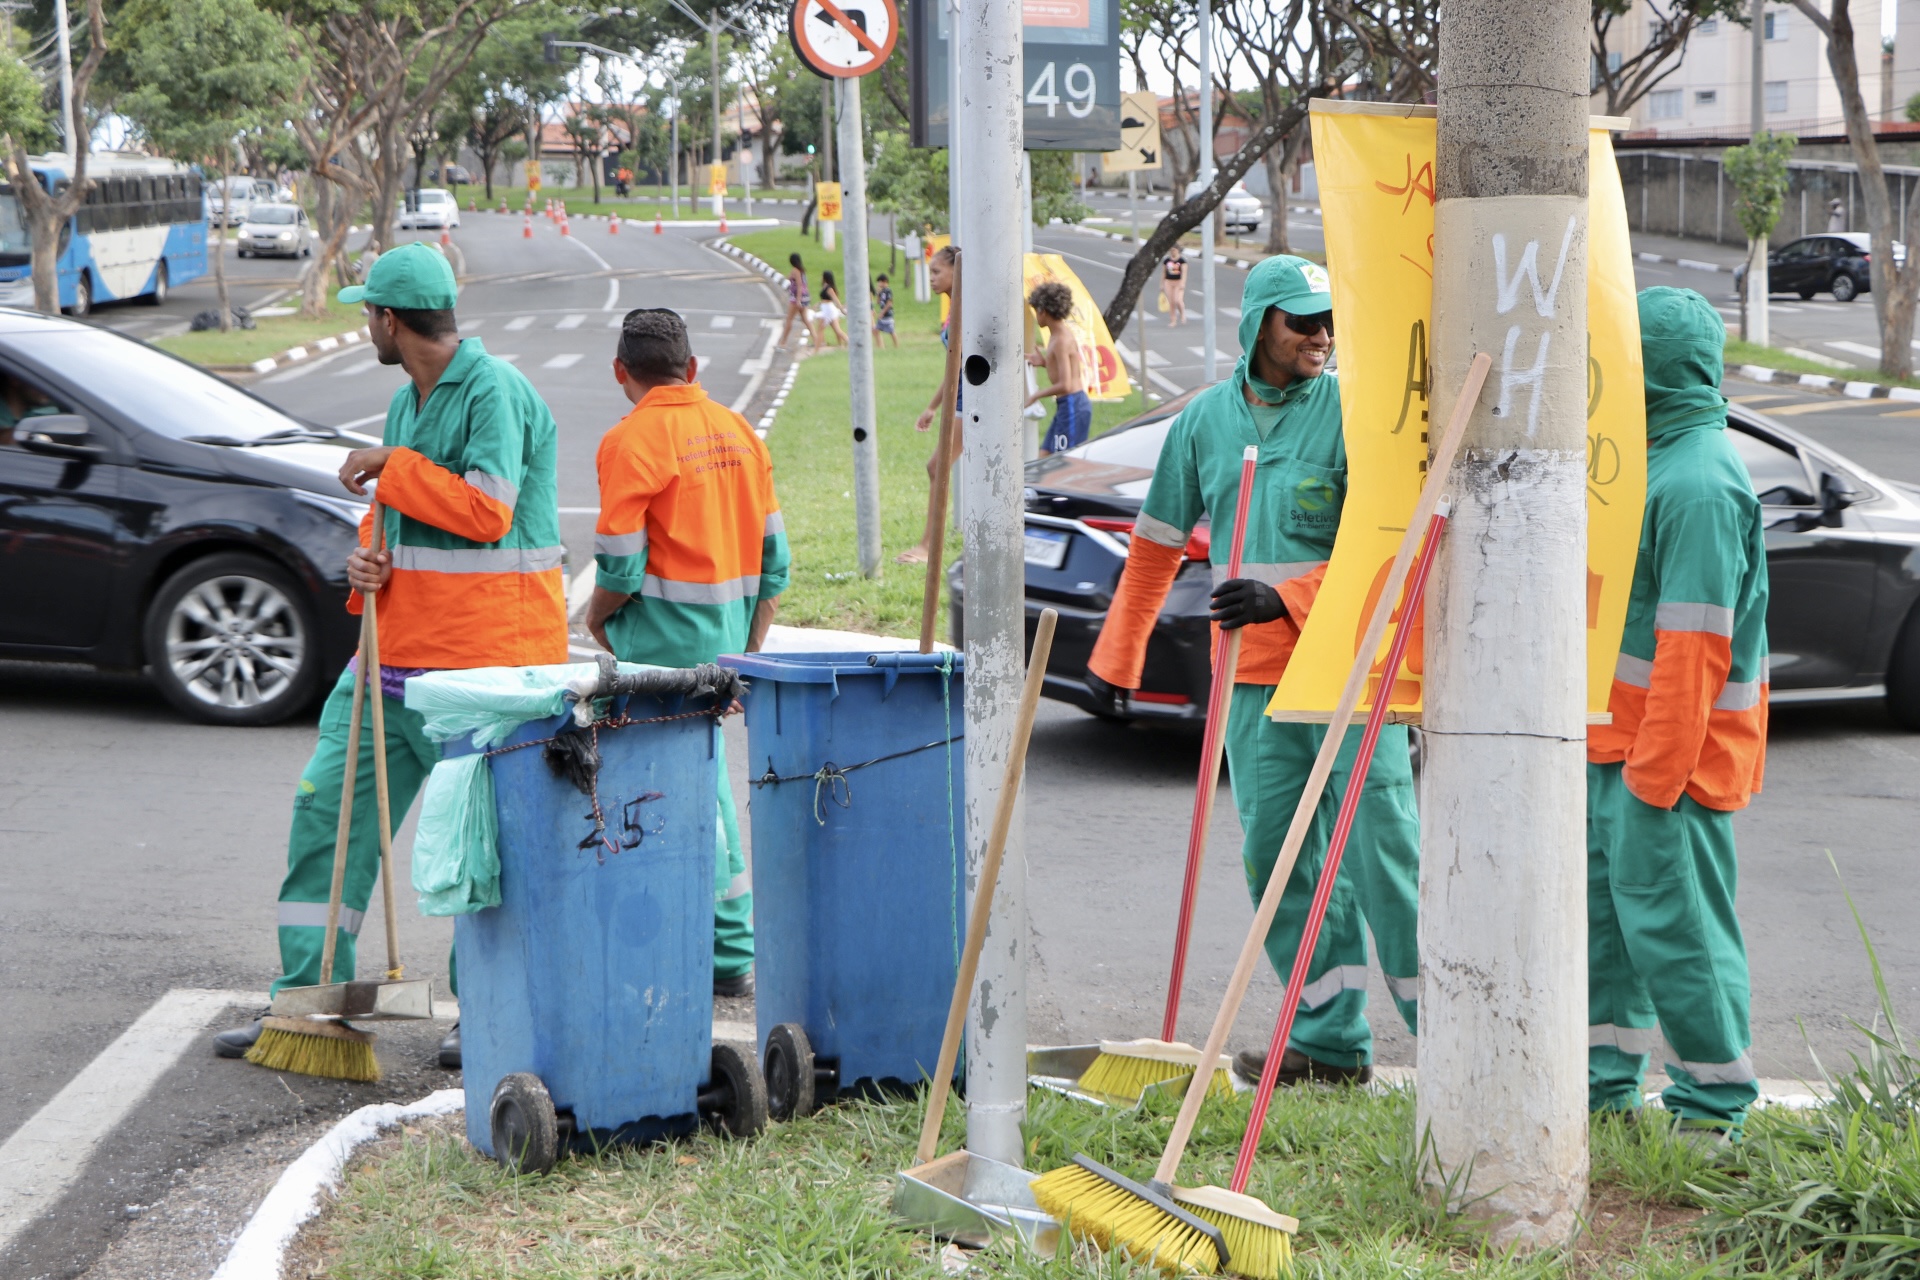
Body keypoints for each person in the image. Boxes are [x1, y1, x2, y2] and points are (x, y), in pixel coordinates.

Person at [212, 242, 568, 1069]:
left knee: (482, 851)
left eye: (367, 313)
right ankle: (309, 1003)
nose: (364, 325)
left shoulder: (495, 392)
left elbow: (486, 511)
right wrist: (368, 559)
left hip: (486, 672)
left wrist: (390, 466)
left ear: (390, 321)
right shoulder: (409, 399)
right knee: (325, 816)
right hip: (392, 657)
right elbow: (403, 518)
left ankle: (485, 1014)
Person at [1085, 255, 1420, 1087]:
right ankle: (1327, 1041)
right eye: (1301, 320)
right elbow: (1157, 545)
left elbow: (1388, 548)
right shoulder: (1203, 423)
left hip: (1349, 675)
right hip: (1253, 679)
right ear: (1259, 326)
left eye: (1327, 320)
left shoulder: (1354, 413)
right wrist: (1119, 657)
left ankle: (1453, 1042)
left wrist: (1288, 595)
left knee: (1386, 858)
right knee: (1278, 861)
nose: (1319, 335)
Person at [1588, 286, 1770, 1149]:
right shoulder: (1655, 458)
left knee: (1679, 934)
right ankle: (1602, 1088)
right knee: (1612, 933)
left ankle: (1713, 1108)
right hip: (1621, 749)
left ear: (1653, 368)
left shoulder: (1697, 480)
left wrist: (1652, 784)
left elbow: (1693, 651)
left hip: (1671, 766)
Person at [585, 308, 791, 999]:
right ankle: (728, 949)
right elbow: (776, 564)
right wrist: (745, 655)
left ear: (620, 373)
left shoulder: (631, 439)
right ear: (693, 367)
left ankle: (675, 942)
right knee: (706, 789)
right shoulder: (739, 433)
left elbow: (617, 565)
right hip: (725, 649)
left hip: (655, 654)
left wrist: (595, 621)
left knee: (646, 791)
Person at [897, 244, 960, 565]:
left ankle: (927, 547)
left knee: (937, 467)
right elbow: (952, 368)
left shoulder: (965, 307)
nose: (932, 278)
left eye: (937, 272)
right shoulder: (954, 306)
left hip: (972, 401)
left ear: (956, 271)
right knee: (937, 467)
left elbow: (961, 367)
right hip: (959, 398)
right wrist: (933, 407)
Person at [1026, 281, 1090, 456]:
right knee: (1044, 455)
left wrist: (1035, 396)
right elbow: (1066, 370)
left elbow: (1066, 385)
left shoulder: (1061, 340)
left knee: (1063, 462)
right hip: (1067, 405)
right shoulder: (1058, 334)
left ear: (1043, 311)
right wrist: (1046, 362)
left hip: (1072, 405)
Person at [777, 252, 817, 351]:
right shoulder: (801, 271)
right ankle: (817, 340)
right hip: (805, 297)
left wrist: (798, 300)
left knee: (789, 320)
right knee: (806, 320)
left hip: (796, 298)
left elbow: (799, 286)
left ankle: (783, 343)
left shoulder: (796, 271)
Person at [815, 270, 849, 347]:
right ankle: (846, 342)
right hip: (826, 308)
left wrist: (842, 309)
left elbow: (835, 299)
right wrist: (819, 304)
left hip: (829, 310)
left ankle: (816, 348)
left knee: (820, 329)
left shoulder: (829, 288)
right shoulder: (824, 286)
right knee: (837, 330)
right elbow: (824, 299)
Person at [1161, 249, 1187, 326]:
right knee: (1171, 302)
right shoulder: (1166, 260)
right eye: (1171, 250)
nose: (1173, 252)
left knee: (1177, 300)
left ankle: (1182, 314)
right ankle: (1173, 320)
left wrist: (1183, 283)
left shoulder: (1182, 261)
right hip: (1168, 282)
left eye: (1174, 250)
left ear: (1178, 251)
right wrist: (1161, 284)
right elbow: (1163, 273)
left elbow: (1184, 273)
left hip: (1178, 282)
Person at [873, 273, 898, 347]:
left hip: (888, 315)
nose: (879, 284)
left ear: (885, 282)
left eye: (880, 282)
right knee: (876, 330)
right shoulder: (882, 291)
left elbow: (889, 303)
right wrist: (878, 293)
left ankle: (896, 346)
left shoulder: (888, 291)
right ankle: (880, 346)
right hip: (882, 316)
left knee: (891, 331)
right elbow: (878, 302)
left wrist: (882, 312)